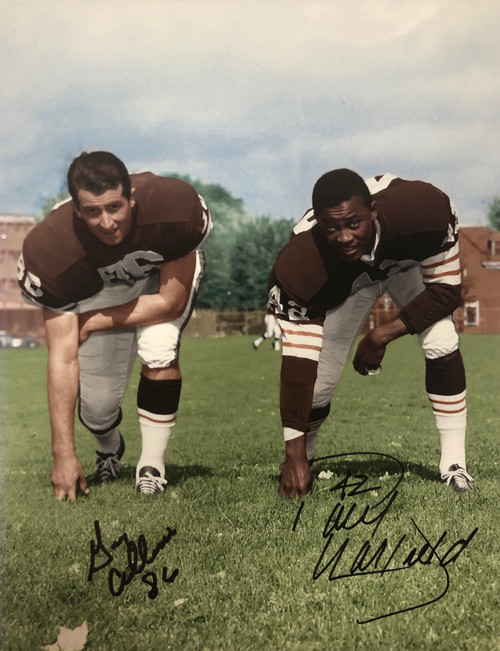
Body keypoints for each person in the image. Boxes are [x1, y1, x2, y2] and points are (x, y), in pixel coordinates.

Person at [18, 151, 212, 500]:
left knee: (159, 346)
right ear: (77, 210)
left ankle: (151, 466)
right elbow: (62, 357)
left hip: (160, 279)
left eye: (114, 208)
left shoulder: (173, 208)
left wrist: (93, 321)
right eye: (92, 211)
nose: (106, 222)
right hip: (101, 290)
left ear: (132, 199)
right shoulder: (51, 250)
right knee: (97, 409)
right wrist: (62, 454)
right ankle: (109, 448)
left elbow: (170, 302)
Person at [269, 169, 473, 498]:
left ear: (373, 212)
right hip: (348, 281)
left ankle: (454, 464)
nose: (345, 236)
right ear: (318, 222)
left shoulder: (424, 212)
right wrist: (292, 457)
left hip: (404, 263)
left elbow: (446, 292)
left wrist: (381, 335)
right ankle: (302, 459)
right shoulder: (301, 264)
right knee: (319, 384)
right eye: (331, 226)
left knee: (442, 339)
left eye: (354, 223)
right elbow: (296, 370)